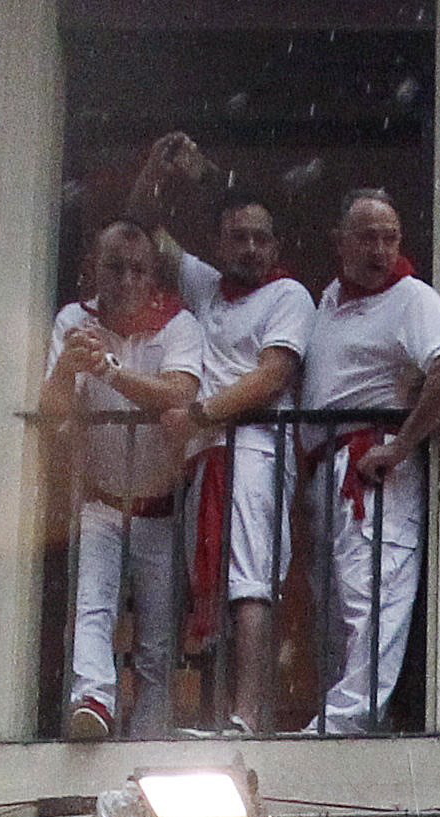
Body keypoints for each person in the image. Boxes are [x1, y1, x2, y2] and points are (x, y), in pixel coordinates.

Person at [126, 133, 313, 735]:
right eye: (238, 237)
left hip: (254, 450)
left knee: (248, 583)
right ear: (218, 244)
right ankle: (215, 714)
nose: (251, 248)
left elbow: (271, 376)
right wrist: (158, 168)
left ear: (276, 246)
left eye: (261, 238)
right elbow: (140, 230)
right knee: (208, 585)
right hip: (204, 455)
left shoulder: (289, 295)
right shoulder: (206, 286)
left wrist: (200, 414)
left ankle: (248, 716)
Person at [298, 189, 440, 735]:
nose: (380, 250)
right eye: (368, 238)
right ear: (341, 242)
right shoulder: (331, 298)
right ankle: (337, 712)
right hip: (328, 468)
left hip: (370, 467)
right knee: (334, 599)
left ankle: (352, 717)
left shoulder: (412, 298)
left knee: (371, 590)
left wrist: (400, 446)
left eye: (390, 238)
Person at [42, 220, 207, 741]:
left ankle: (150, 728)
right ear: (94, 269)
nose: (128, 281)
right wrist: (67, 368)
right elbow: (51, 410)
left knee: (158, 636)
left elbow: (179, 393)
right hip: (100, 498)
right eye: (115, 268)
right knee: (92, 606)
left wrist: (109, 371)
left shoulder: (179, 324)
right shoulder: (73, 320)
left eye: (139, 270)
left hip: (161, 505)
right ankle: (92, 699)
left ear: (154, 275)